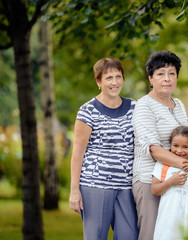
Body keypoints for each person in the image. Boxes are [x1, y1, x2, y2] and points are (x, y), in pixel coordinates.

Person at [132, 50, 188, 240]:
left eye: (172, 73)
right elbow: (153, 149)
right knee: (152, 235)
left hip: (177, 180)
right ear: (151, 78)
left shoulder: (177, 104)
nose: (167, 78)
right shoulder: (144, 106)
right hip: (149, 180)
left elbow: (187, 142)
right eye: (160, 74)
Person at [69, 57, 138, 240]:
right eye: (108, 78)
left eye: (118, 77)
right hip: (95, 185)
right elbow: (78, 152)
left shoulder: (134, 107)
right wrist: (74, 190)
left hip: (125, 185)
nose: (114, 82)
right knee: (96, 236)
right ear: (98, 81)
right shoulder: (88, 110)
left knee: (129, 235)